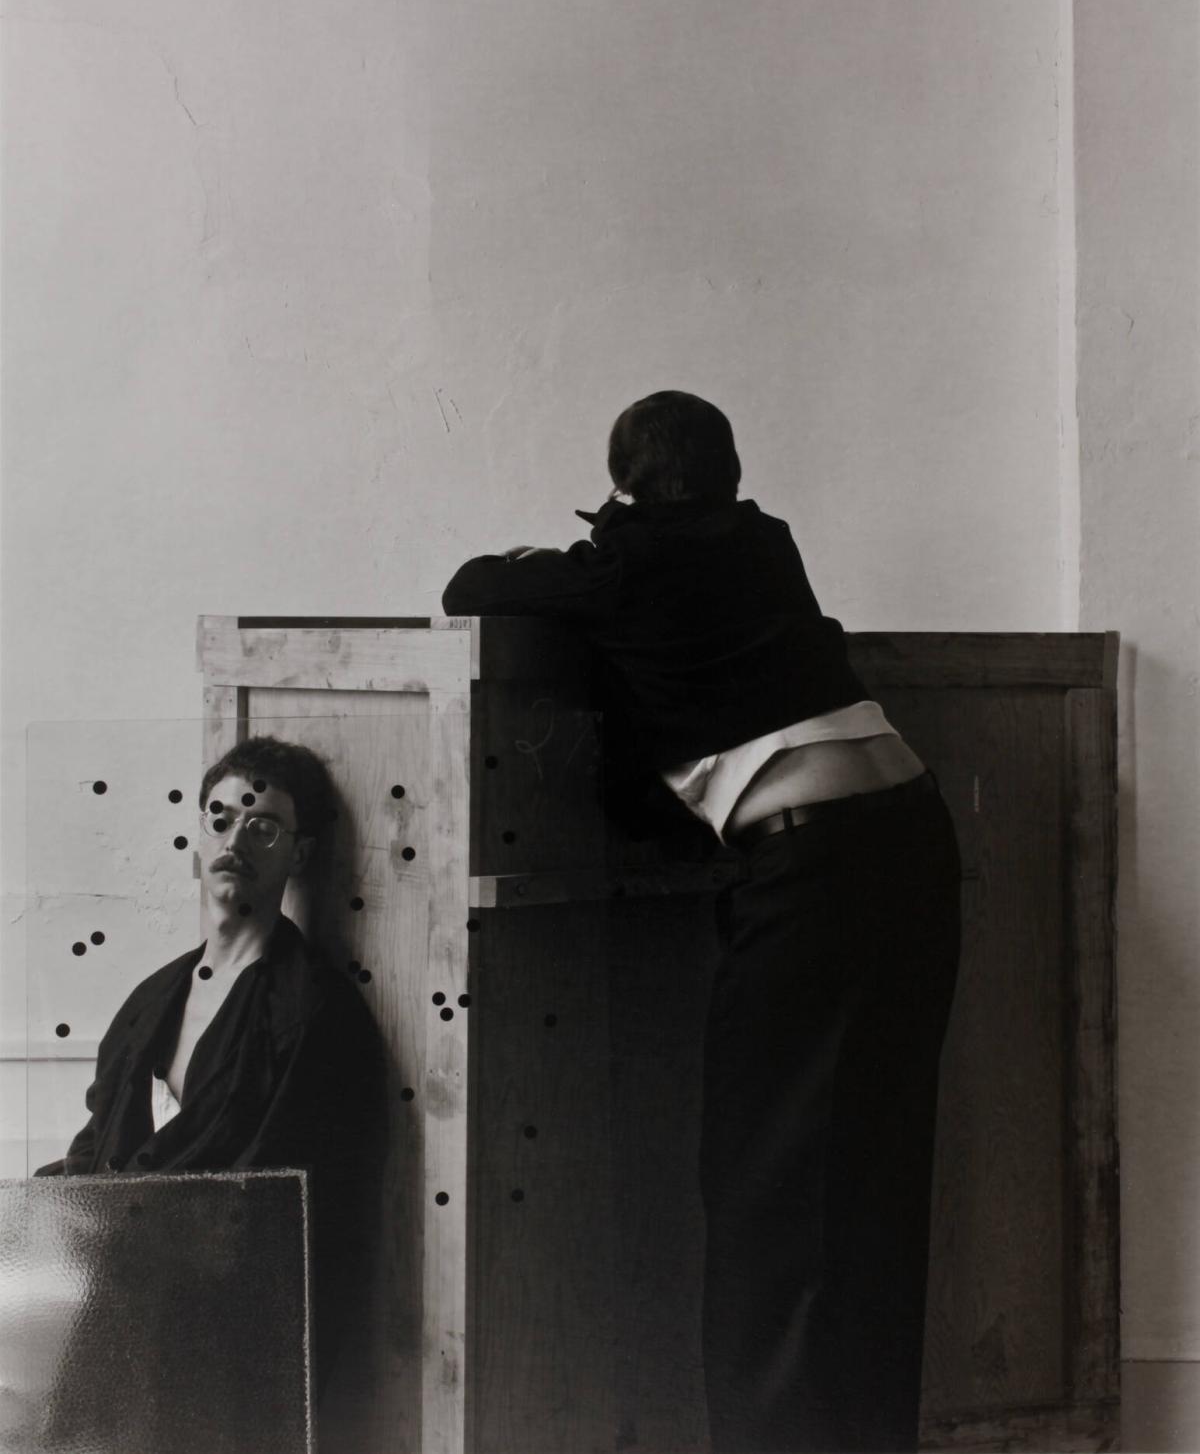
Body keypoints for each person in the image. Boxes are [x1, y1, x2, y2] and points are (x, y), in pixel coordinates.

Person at [442, 391, 962, 1453]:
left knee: (762, 1184)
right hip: (914, 843)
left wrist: (587, 540)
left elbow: (471, 587)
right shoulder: (768, 542)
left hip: (811, 866)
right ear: (730, 475)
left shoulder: (620, 563)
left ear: (623, 486)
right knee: (875, 1171)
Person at [37, 734, 385, 1396]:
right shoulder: (150, 1000)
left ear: (299, 853)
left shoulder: (313, 1012)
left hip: (220, 1347)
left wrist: (124, 1222)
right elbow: (98, 1145)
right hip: (114, 1321)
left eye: (263, 826)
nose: (236, 840)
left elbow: (273, 1205)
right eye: (220, 819)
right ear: (198, 837)